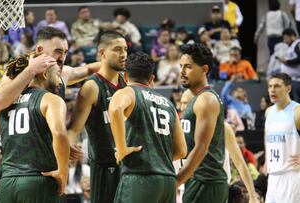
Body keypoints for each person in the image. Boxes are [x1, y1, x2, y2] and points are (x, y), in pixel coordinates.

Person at [0, 63, 70, 203]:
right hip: (39, 182)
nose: (60, 81)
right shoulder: (51, 100)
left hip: (7, 185)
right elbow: (60, 134)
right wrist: (63, 171)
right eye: (58, 75)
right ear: (45, 74)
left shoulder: (5, 104)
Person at [107, 52, 187, 202]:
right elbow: (182, 150)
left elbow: (115, 109)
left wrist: (122, 148)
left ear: (125, 77)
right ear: (151, 79)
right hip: (168, 181)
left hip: (140, 176)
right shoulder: (169, 104)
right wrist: (157, 157)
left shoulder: (128, 92)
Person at [68, 31, 128, 203]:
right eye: (117, 49)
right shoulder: (91, 87)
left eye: (125, 49)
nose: (123, 54)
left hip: (130, 166)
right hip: (105, 167)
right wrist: (68, 144)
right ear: (102, 53)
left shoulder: (128, 83)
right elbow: (73, 129)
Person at [0, 27, 100, 112]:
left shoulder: (63, 73)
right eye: (58, 51)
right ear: (39, 50)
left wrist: (112, 62)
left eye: (65, 52)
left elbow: (89, 69)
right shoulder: (17, 72)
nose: (62, 58)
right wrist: (31, 70)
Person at [180, 89, 259, 203]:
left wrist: (252, 195)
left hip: (215, 187)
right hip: (187, 186)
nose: (182, 108)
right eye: (181, 103)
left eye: (186, 103)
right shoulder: (181, 127)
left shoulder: (222, 127)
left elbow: (240, 163)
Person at [176, 43, 228, 203]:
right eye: (181, 66)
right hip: (198, 179)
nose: (182, 72)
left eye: (188, 67)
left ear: (204, 69)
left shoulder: (206, 99)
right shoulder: (196, 99)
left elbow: (201, 148)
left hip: (206, 181)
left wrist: (175, 182)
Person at [265, 73, 300, 203]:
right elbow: (267, 135)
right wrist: (266, 161)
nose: (272, 90)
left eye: (277, 86)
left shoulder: (297, 111)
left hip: (292, 175)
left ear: (288, 89)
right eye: (270, 86)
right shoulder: (269, 112)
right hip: (273, 176)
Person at [277, 28, 300, 101]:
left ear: (292, 36)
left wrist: (287, 62)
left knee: (296, 102)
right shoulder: (291, 46)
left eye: (286, 38)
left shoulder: (298, 44)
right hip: (290, 79)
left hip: (296, 79)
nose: (285, 41)